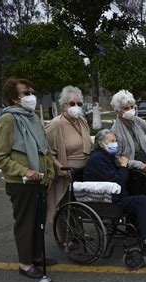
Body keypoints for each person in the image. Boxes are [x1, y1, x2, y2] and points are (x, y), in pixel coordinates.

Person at [0, 78, 56, 279]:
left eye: (32, 92)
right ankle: (25, 264)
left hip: (40, 180)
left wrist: (49, 173)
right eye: (26, 93)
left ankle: (36, 256)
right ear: (14, 98)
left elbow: (44, 150)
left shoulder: (33, 117)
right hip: (22, 183)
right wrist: (24, 171)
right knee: (26, 223)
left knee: (39, 221)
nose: (31, 96)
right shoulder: (8, 120)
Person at [83, 129, 146, 256]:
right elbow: (117, 182)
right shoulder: (98, 159)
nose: (116, 144)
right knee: (142, 202)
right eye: (112, 141)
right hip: (108, 201)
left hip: (114, 196)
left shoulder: (106, 156)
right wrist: (124, 166)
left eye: (115, 141)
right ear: (101, 143)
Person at [45, 85, 93, 224]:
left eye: (79, 104)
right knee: (65, 205)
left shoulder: (82, 121)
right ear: (64, 106)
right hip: (66, 173)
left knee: (79, 206)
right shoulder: (56, 124)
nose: (76, 106)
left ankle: (78, 233)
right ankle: (65, 238)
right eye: (72, 103)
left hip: (83, 172)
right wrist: (58, 166)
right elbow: (47, 151)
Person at [110, 90, 146, 172]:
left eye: (132, 107)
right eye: (126, 108)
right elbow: (117, 159)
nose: (131, 110)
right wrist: (136, 164)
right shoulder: (114, 131)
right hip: (130, 172)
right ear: (118, 111)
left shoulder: (137, 121)